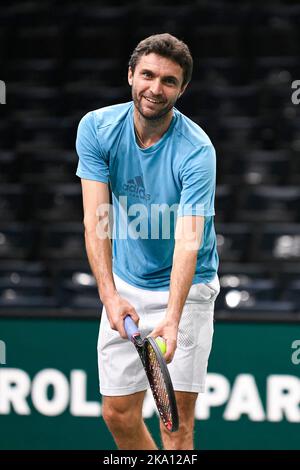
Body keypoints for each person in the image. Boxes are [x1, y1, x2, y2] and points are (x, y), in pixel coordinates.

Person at [76, 33, 219, 450]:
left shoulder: (197, 151)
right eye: (148, 75)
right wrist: (109, 295)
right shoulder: (97, 128)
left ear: (182, 89)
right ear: (131, 76)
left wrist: (172, 318)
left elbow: (189, 241)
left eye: (169, 81)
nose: (156, 89)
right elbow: (96, 219)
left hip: (187, 288)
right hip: (126, 283)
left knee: (174, 426)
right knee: (117, 413)